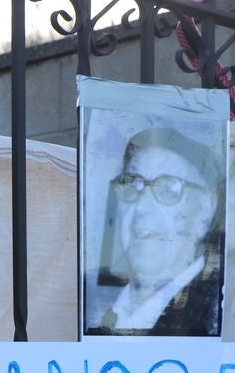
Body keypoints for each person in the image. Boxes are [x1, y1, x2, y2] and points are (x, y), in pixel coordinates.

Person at [86, 126, 224, 337]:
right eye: (133, 185)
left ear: (206, 208)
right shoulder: (86, 301)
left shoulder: (226, 311)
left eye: (168, 189)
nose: (141, 207)